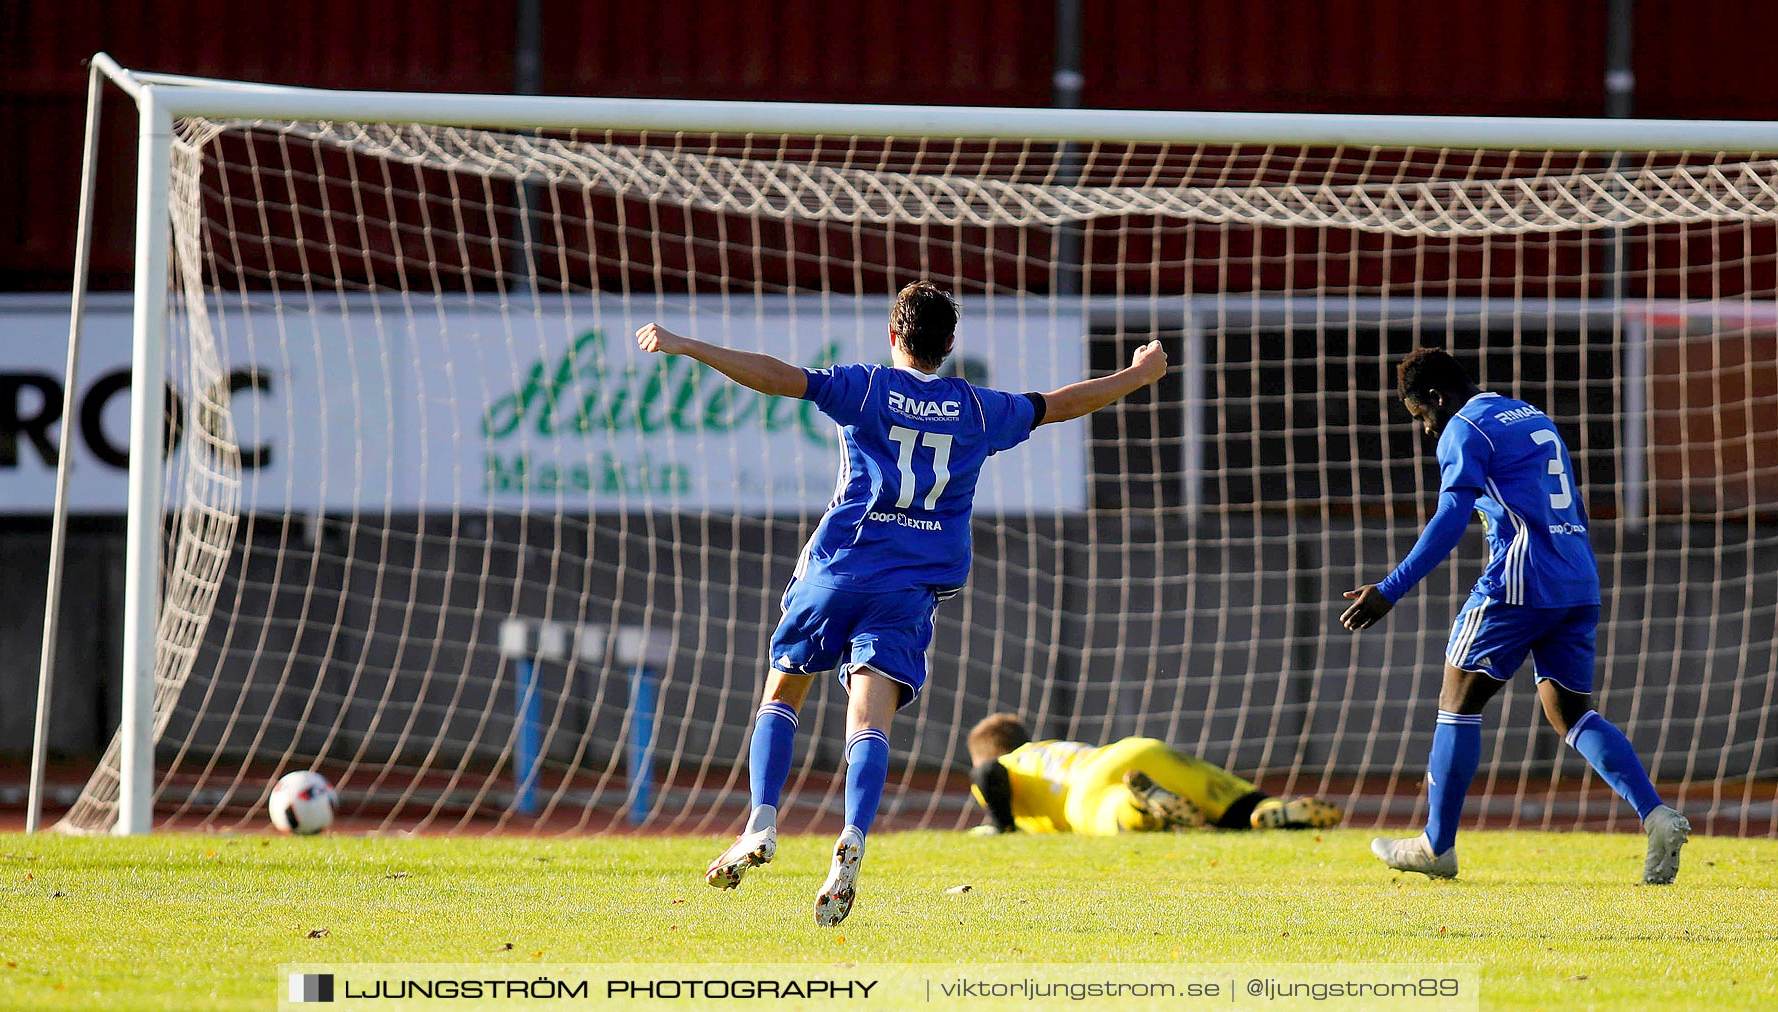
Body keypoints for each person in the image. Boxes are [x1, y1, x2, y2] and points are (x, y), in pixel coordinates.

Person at [635, 281, 1167, 926]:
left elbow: (778, 379)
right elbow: (1061, 403)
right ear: (948, 346)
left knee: (782, 694)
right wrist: (1137, 375)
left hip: (840, 569)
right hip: (910, 587)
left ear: (894, 338)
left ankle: (761, 823)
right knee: (869, 722)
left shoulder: (865, 388)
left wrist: (688, 344)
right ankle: (854, 836)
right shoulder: (977, 408)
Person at [1340, 347, 1689, 883]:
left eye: (1422, 417)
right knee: (1571, 713)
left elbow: (1452, 514)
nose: (1429, 431)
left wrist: (1390, 589)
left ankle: (1437, 846)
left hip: (1521, 579)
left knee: (1458, 698)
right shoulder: (1529, 415)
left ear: (1436, 398)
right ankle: (1658, 815)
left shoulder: (1464, 429)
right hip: (1578, 578)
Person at [963, 713, 1343, 835]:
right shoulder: (1047, 748)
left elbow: (987, 774)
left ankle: (1141, 806)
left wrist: (1002, 827)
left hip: (1084, 792)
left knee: (1114, 811)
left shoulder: (1013, 765)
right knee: (1224, 797)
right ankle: (1272, 809)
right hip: (1133, 751)